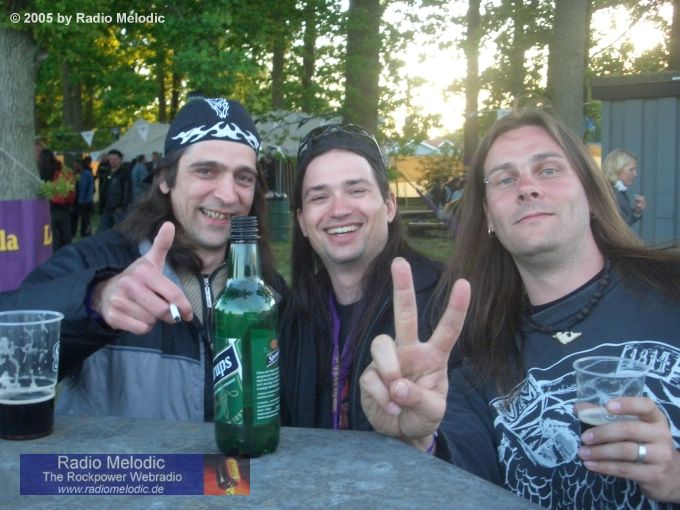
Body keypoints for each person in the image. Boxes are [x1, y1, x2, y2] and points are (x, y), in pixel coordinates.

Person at [360, 108, 680, 508]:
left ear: (592, 196)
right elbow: (459, 478)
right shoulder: (478, 358)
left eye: (548, 170)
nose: (527, 188)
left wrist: (673, 477)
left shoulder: (670, 292)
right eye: (505, 179)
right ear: (490, 217)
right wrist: (418, 440)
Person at [0, 97, 286, 422]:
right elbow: (11, 334)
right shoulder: (94, 260)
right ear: (164, 179)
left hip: (230, 458)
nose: (228, 194)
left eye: (243, 178)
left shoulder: (269, 291)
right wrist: (94, 301)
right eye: (206, 171)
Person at [279, 123, 445, 448]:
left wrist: (427, 444)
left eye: (356, 190)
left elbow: (478, 441)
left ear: (390, 205)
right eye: (319, 197)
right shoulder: (288, 318)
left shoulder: (444, 302)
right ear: (302, 221)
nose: (339, 210)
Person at [38, 148, 75, 252]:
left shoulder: (43, 170)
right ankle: (68, 253)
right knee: (65, 233)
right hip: (64, 205)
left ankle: (57, 254)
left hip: (51, 206)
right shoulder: (62, 169)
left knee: (54, 235)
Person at [602, 149, 646, 226]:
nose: (635, 174)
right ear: (617, 169)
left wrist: (637, 211)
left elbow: (624, 222)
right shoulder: (609, 192)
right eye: (631, 170)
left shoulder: (618, 190)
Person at [97, 149, 131, 232]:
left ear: (120, 160)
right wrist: (101, 205)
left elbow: (127, 190)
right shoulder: (107, 172)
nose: (112, 161)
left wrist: (123, 205)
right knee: (102, 231)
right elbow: (104, 189)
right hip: (107, 206)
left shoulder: (125, 173)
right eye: (110, 159)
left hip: (118, 208)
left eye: (115, 159)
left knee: (121, 231)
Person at [78, 156, 95, 237]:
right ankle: (85, 232)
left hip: (85, 200)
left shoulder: (85, 174)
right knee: (85, 218)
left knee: (85, 218)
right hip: (88, 199)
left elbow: (83, 187)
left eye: (76, 165)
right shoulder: (87, 173)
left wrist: (81, 200)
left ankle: (87, 232)